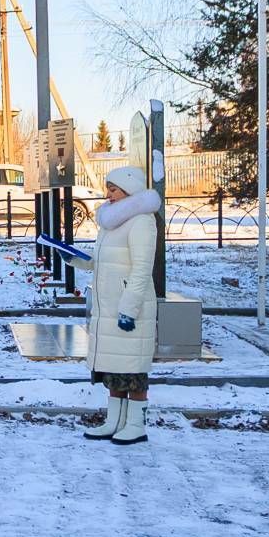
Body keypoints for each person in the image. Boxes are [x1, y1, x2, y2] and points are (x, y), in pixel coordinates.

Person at [76, 166, 163, 446]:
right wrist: (77, 258)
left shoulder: (141, 221)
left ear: (128, 190)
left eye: (112, 189)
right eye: (108, 189)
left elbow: (141, 270)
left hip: (129, 308)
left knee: (132, 369)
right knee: (114, 367)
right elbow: (108, 261)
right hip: (108, 306)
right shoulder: (114, 221)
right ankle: (114, 421)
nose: (108, 194)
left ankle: (135, 424)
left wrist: (129, 308)